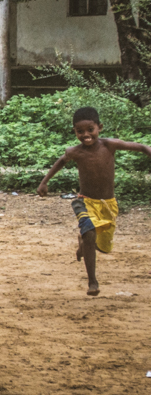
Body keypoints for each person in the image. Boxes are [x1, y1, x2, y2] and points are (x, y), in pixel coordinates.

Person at [37, 107, 151, 296]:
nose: (85, 135)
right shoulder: (74, 152)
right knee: (90, 232)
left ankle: (83, 244)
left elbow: (140, 147)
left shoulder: (110, 145)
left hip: (107, 204)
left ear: (100, 127)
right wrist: (44, 182)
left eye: (90, 129)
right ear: (74, 131)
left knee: (102, 246)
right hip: (84, 201)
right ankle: (93, 281)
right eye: (80, 131)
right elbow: (61, 161)